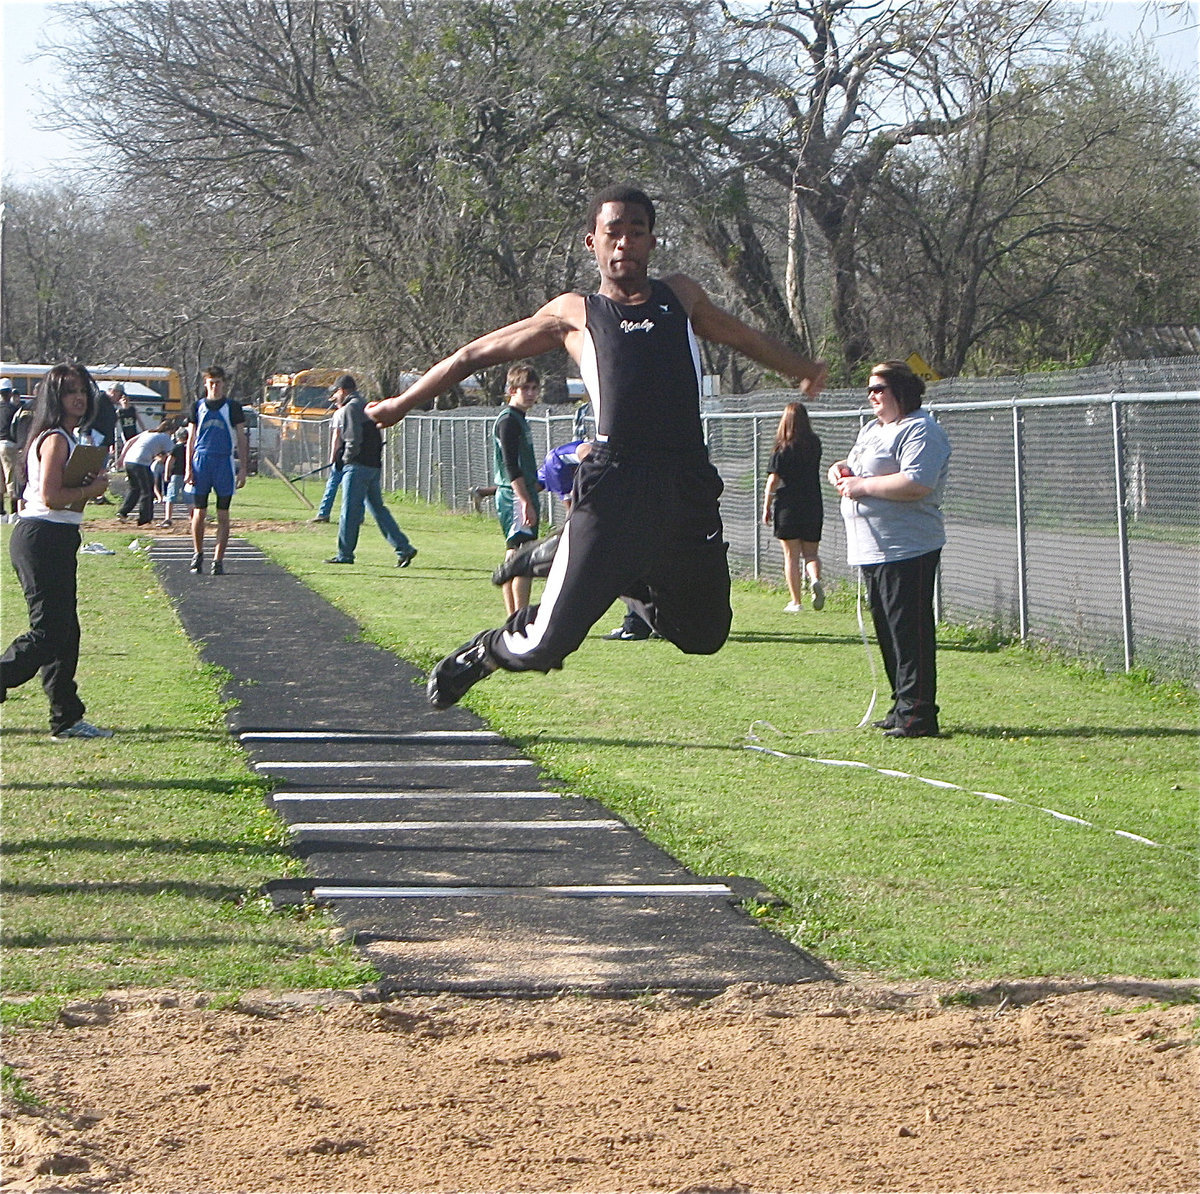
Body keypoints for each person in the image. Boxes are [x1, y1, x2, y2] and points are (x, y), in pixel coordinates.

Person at [368, 183, 827, 709]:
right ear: (593, 242)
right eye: (614, 233)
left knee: (704, 635)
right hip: (614, 482)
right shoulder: (575, 312)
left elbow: (743, 337)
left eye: (637, 233)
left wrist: (802, 369)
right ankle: (486, 652)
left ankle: (605, 569)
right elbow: (476, 354)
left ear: (653, 241)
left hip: (684, 482)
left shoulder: (681, 297)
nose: (624, 244)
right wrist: (402, 403)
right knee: (545, 645)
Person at [829, 359, 951, 739]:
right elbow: (855, 466)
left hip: (907, 546)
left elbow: (917, 482)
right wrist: (840, 471)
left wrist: (862, 487)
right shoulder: (872, 430)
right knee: (887, 628)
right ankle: (901, 706)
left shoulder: (921, 429)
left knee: (908, 629)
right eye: (869, 389)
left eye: (879, 389)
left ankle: (919, 715)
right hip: (871, 548)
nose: (872, 396)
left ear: (901, 391)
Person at [0, 364, 113, 740]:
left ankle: (65, 717)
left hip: (55, 537)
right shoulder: (56, 440)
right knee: (49, 631)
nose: (79, 398)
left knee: (66, 631)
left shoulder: (66, 435)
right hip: (41, 538)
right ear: (55, 397)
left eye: (83, 390)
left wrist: (84, 487)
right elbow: (50, 497)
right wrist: (90, 491)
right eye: (69, 392)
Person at [324, 374, 418, 568]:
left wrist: (344, 459)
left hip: (357, 466)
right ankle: (403, 548)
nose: (336, 398)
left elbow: (353, 439)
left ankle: (345, 554)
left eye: (336, 393)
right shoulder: (366, 405)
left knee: (349, 511)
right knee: (378, 510)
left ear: (343, 390)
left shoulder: (351, 408)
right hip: (373, 465)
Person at [762, 401, 825, 613]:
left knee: (791, 556)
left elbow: (773, 480)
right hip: (812, 503)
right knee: (811, 554)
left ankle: (796, 601)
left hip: (788, 505)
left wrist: (767, 506)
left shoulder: (781, 449)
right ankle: (815, 578)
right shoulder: (814, 444)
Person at [185, 365, 248, 575]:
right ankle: (198, 553)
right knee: (199, 512)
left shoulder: (233, 407)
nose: (214, 386)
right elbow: (191, 439)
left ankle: (218, 559)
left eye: (218, 383)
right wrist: (188, 468)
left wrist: (243, 468)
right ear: (205, 384)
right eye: (211, 383)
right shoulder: (197, 407)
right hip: (201, 461)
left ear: (223, 384)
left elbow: (241, 438)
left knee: (223, 513)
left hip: (224, 462)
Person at [493, 364, 542, 615]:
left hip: (522, 492)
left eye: (535, 388)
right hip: (514, 496)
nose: (531, 393)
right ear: (512, 390)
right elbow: (511, 466)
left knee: (516, 553)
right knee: (523, 556)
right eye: (526, 388)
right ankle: (519, 615)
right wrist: (524, 501)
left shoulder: (520, 419)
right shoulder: (509, 421)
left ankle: (514, 617)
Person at [117, 420, 176, 526]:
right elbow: (173, 453)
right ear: (170, 430)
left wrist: (121, 457)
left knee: (134, 488)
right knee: (147, 490)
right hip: (141, 462)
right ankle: (144, 518)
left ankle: (123, 512)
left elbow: (129, 442)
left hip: (129, 460)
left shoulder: (148, 432)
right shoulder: (165, 437)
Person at [310, 384, 350, 524]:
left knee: (332, 484)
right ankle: (357, 515)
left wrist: (332, 457)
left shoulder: (339, 414)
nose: (335, 404)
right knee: (355, 487)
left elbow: (336, 437)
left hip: (342, 454)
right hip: (357, 454)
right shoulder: (360, 410)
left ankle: (323, 513)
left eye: (335, 401)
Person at [161, 427, 190, 526]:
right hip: (188, 474)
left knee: (171, 496)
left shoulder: (176, 448)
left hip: (176, 474)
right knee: (189, 497)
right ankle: (192, 516)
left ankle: (168, 518)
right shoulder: (190, 447)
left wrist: (166, 473)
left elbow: (170, 460)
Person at [0, 379, 19, 519]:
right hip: (9, 444)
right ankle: (13, 512)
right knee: (11, 478)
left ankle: (1, 512)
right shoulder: (14, 409)